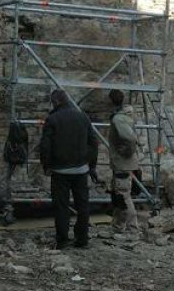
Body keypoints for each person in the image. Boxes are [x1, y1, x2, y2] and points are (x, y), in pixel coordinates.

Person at [39, 89, 99, 249]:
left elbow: (45, 146)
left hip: (60, 171)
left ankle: (63, 240)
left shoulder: (52, 119)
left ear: (56, 102)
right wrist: (91, 166)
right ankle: (82, 239)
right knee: (83, 206)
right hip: (81, 169)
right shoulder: (82, 117)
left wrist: (46, 165)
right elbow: (93, 143)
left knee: (61, 206)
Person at [106, 89, 141, 233]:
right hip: (123, 163)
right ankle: (118, 227)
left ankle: (132, 229)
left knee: (124, 196)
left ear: (111, 101)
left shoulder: (118, 119)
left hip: (122, 163)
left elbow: (131, 138)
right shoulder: (124, 116)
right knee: (120, 196)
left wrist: (125, 152)